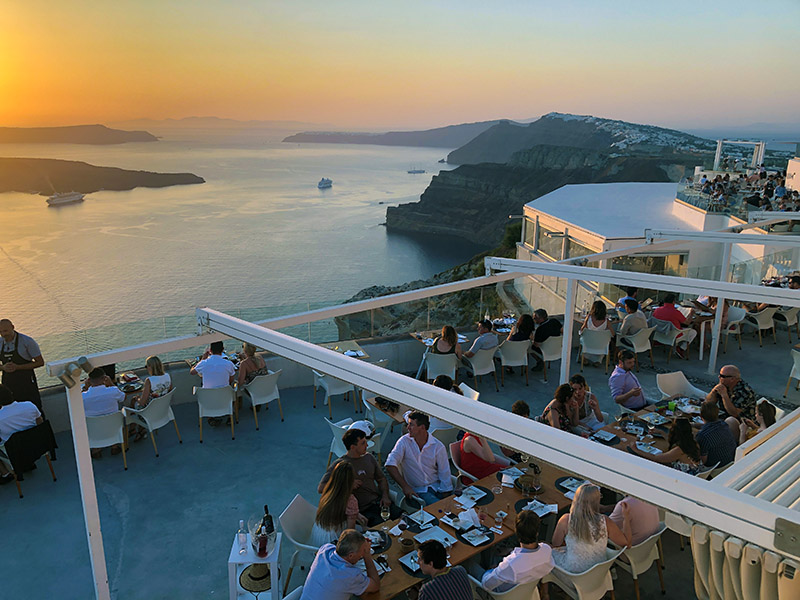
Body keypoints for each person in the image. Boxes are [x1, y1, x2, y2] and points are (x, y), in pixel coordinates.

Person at [318, 428, 398, 526]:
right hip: (361, 510)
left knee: (404, 517)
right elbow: (321, 488)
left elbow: (381, 479)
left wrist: (385, 496)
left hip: (378, 503)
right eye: (363, 443)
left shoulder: (369, 457)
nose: (367, 445)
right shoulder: (341, 465)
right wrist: (347, 484)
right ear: (352, 447)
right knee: (384, 528)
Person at [551, 484, 630, 574]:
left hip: (573, 575)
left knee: (545, 549)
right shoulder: (606, 521)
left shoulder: (566, 520)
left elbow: (555, 544)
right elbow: (627, 544)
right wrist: (626, 517)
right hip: (598, 572)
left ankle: (546, 585)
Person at [470, 510, 554, 594]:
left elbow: (486, 584)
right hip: (524, 590)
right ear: (537, 533)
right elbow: (530, 560)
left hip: (499, 592)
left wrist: (493, 570)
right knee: (493, 551)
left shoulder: (510, 565)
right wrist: (511, 551)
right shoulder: (546, 549)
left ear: (516, 532)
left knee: (469, 562)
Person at [386, 411, 453, 506]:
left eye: (411, 425)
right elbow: (389, 465)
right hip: (418, 492)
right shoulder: (404, 442)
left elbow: (444, 472)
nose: (407, 428)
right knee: (440, 507)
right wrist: (405, 487)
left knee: (454, 506)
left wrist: (446, 495)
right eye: (408, 424)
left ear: (422, 427)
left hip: (437, 487)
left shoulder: (438, 446)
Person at [300, 529, 380, 600]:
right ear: (351, 555)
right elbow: (375, 586)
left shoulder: (324, 549)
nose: (362, 555)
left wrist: (360, 543)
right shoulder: (351, 576)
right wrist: (367, 555)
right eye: (362, 551)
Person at [311, 461, 366, 547]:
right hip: (332, 540)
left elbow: (338, 507)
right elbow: (350, 532)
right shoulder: (350, 500)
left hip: (320, 533)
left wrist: (356, 514)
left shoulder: (328, 490)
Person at [0, 384, 43, 483]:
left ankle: (5, 473)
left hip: (14, 453)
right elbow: (40, 423)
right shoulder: (29, 405)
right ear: (11, 393)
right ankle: (28, 463)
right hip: (37, 447)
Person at [0, 319, 45, 412]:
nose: (3, 334)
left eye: (5, 331)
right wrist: (2, 367)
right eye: (0, 332)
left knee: (35, 407)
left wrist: (18, 367)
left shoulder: (27, 341)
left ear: (12, 327)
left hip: (27, 382)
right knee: (11, 411)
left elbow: (40, 362)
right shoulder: (0, 343)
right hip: (8, 383)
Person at [628, 418, 702, 474]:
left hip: (683, 477)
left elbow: (656, 458)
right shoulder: (692, 442)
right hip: (695, 471)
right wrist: (661, 432)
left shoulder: (679, 450)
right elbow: (675, 442)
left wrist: (636, 450)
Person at [81, 368, 126, 458]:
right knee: (113, 419)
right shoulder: (113, 391)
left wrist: (86, 388)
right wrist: (111, 384)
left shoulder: (83, 397)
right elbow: (123, 398)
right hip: (113, 429)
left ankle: (95, 449)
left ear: (89, 380)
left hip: (94, 431)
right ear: (104, 378)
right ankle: (114, 446)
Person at [130, 355, 172, 441]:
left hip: (150, 414)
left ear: (150, 367)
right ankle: (138, 431)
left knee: (134, 400)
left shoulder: (149, 380)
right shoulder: (167, 376)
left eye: (146, 366)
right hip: (163, 411)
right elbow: (169, 391)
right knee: (140, 402)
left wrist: (137, 398)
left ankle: (135, 430)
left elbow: (142, 403)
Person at [651, 293, 697, 359]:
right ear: (673, 302)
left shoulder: (657, 310)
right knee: (693, 332)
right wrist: (691, 314)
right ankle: (681, 348)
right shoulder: (676, 312)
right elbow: (687, 323)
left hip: (659, 334)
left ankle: (659, 342)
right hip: (672, 336)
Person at [695, 402, 736, 468]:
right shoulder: (723, 424)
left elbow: (703, 461)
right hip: (731, 461)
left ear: (701, 416)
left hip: (717, 468)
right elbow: (710, 426)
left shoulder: (702, 436)